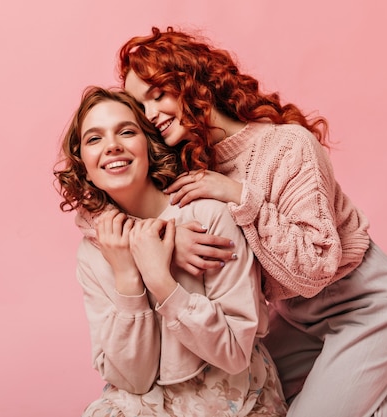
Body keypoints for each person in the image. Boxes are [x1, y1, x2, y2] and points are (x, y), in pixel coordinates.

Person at [74, 27, 387, 417]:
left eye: (158, 94)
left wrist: (239, 196)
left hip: (364, 303)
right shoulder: (191, 157)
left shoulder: (288, 146)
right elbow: (115, 200)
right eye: (140, 107)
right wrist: (168, 239)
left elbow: (311, 271)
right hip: (295, 315)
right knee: (264, 404)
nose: (151, 116)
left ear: (193, 81)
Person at [55, 86, 288, 416]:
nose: (112, 146)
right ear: (83, 164)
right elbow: (133, 380)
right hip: (148, 404)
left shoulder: (207, 216)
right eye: (94, 139)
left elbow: (234, 353)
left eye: (126, 131)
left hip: (235, 400)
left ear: (149, 144)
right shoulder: (95, 249)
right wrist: (128, 278)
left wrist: (160, 280)